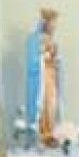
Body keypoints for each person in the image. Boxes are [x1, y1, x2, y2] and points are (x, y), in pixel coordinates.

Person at [26, 8, 63, 146]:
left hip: (51, 77)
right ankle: (42, 133)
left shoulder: (52, 41)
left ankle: (51, 131)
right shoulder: (35, 39)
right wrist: (44, 57)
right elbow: (33, 60)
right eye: (51, 24)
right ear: (45, 24)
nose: (53, 28)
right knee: (43, 103)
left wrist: (56, 60)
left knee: (52, 105)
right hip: (41, 79)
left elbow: (57, 60)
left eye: (55, 25)